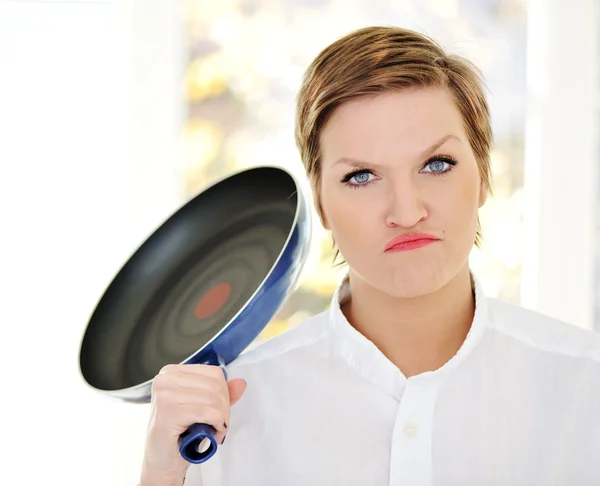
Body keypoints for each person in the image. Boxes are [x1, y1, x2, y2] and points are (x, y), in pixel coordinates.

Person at [138, 26, 600, 486]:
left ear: (483, 177)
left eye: (436, 165)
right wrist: (161, 474)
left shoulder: (586, 387)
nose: (406, 211)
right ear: (320, 204)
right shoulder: (230, 412)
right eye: (361, 176)